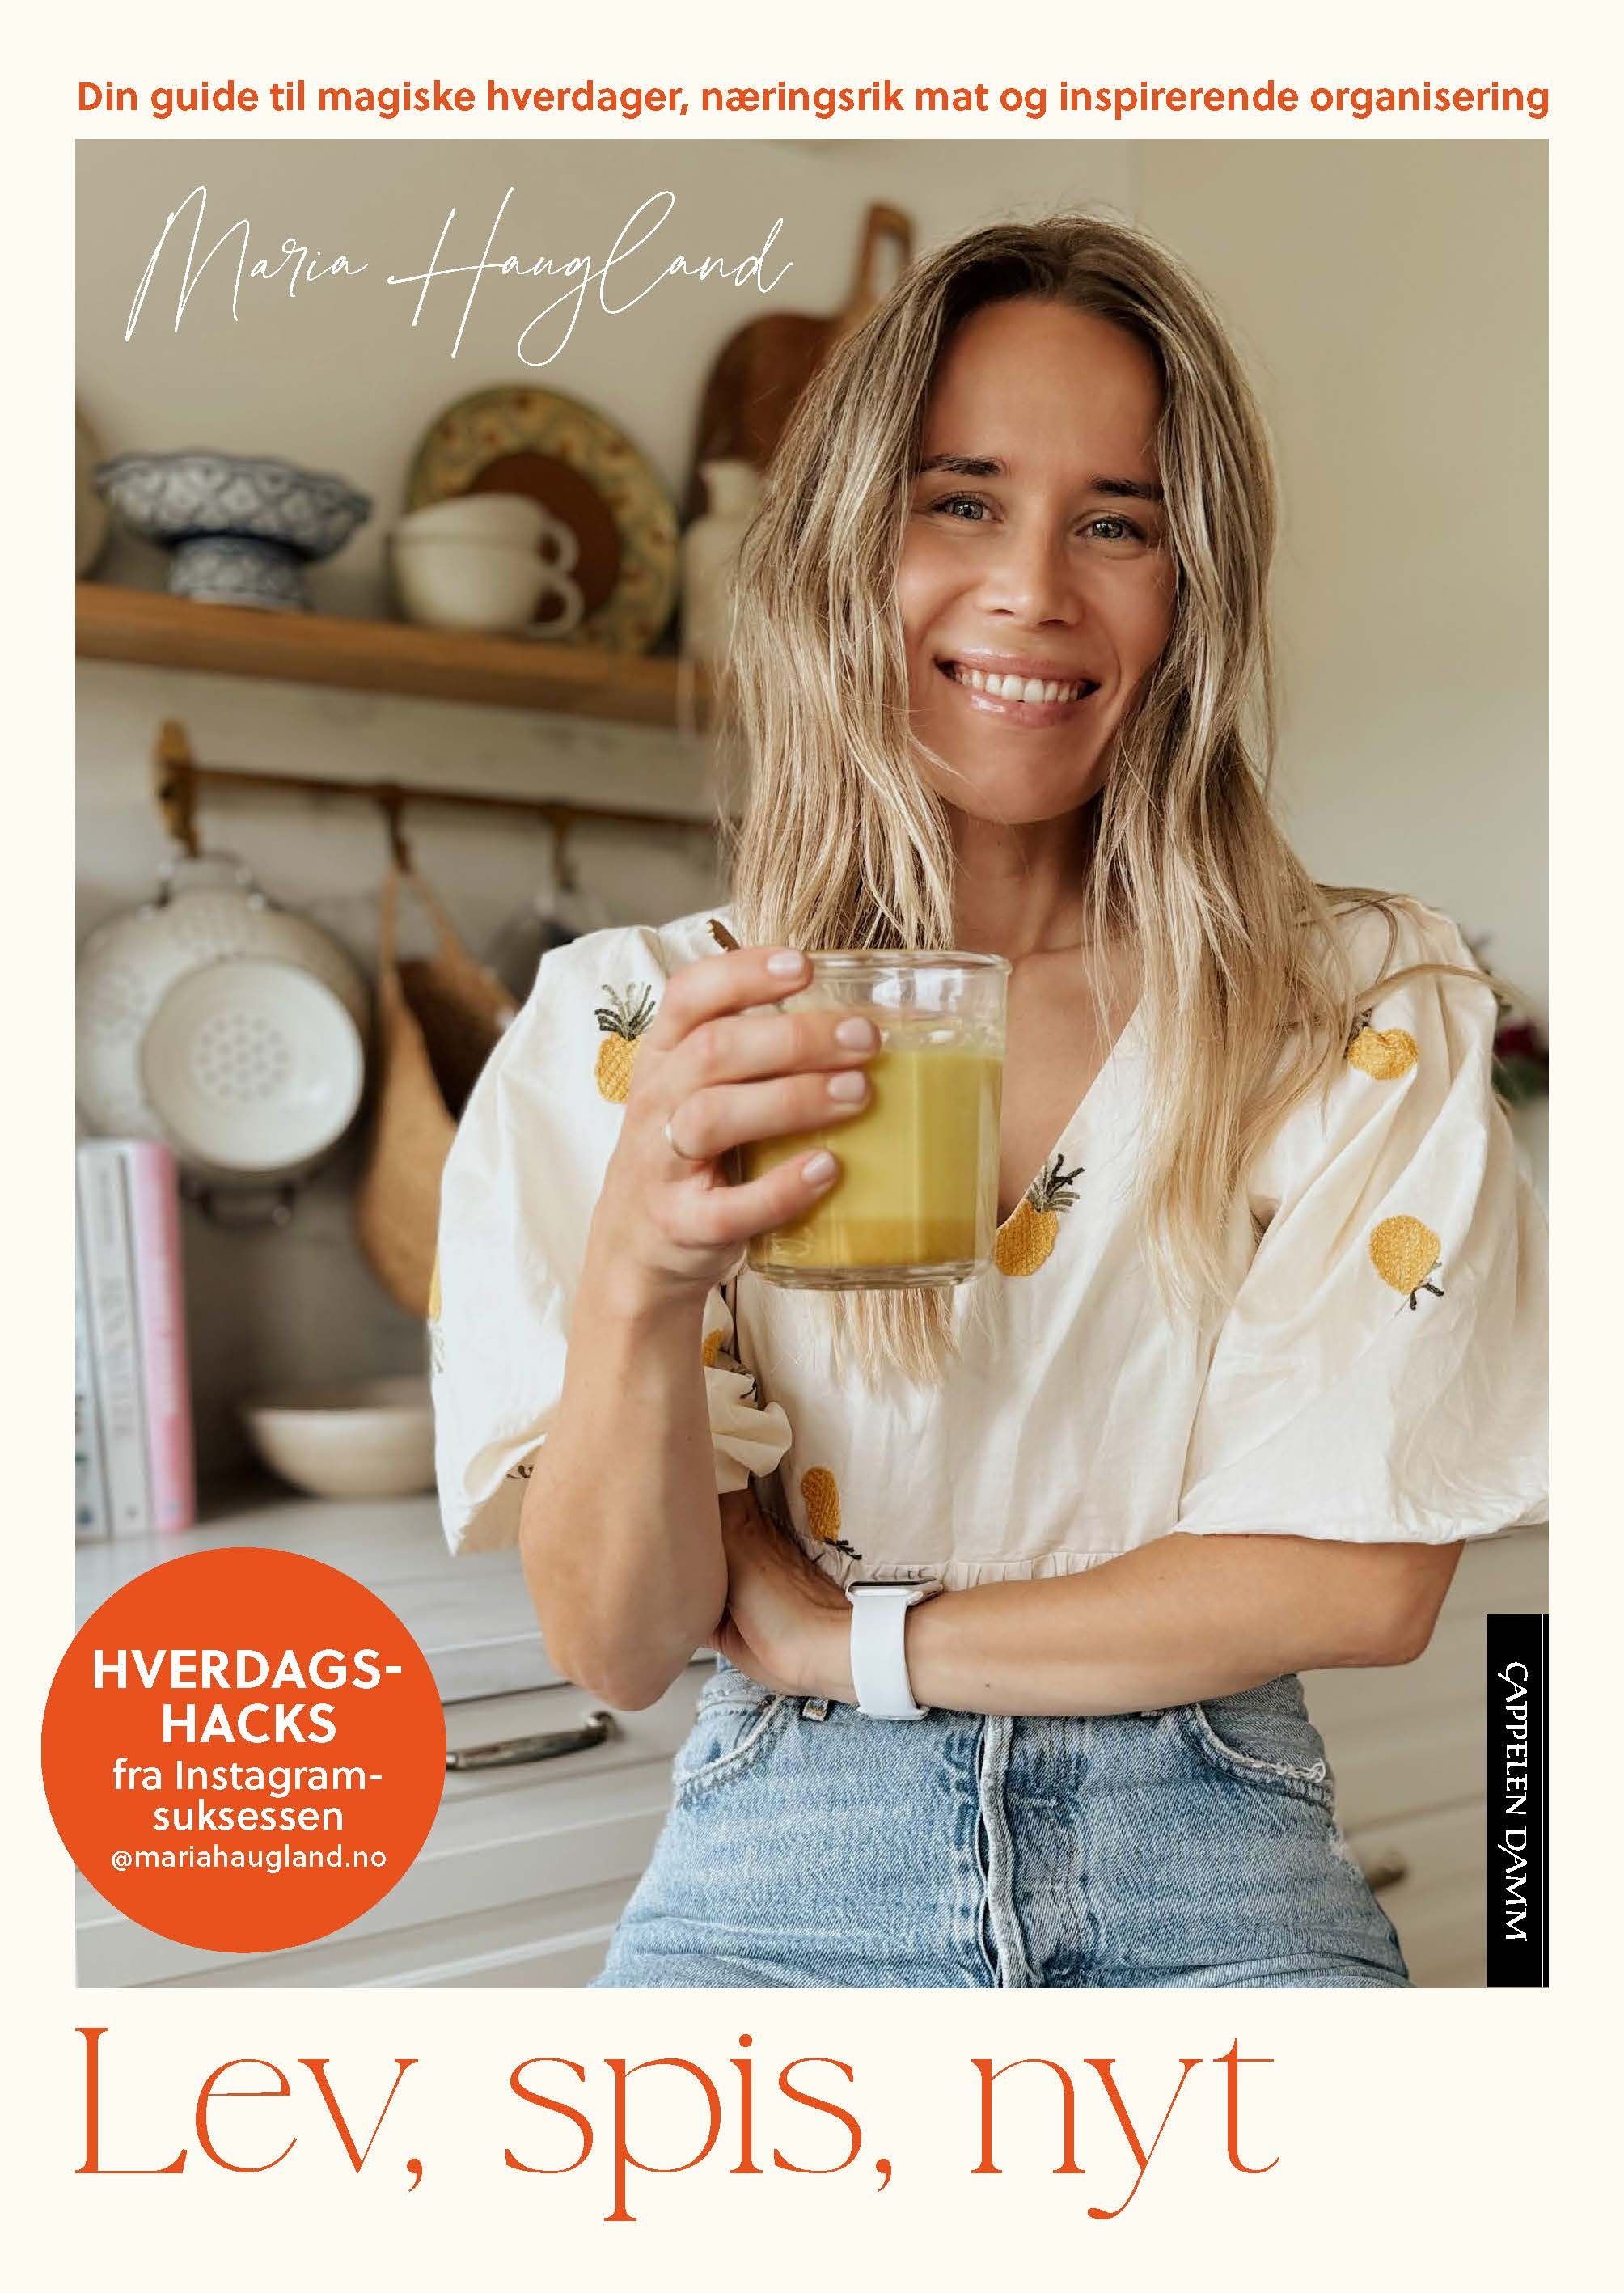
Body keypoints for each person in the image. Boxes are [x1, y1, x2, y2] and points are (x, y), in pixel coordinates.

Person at [432, 216, 1547, 1988]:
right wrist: (637, 1280)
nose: (1034, 587)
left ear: (1191, 592)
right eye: (961, 501)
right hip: (777, 1880)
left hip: (1216, 1868)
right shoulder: (635, 1025)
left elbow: (1356, 1580)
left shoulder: (1351, 1006)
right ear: (844, 548)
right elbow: (622, 1642)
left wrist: (842, 1640)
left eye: (1117, 522)